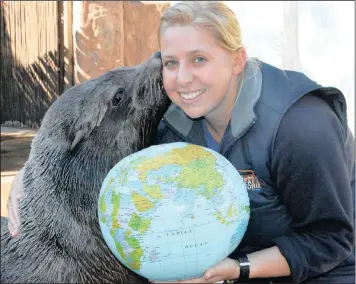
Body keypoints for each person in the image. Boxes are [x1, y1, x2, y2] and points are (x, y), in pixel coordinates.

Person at [6, 1, 355, 283]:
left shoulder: (300, 127)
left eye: (199, 59)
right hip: (227, 264)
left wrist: (241, 268)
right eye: (170, 62)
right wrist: (28, 179)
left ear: (237, 60)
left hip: (322, 269)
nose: (183, 79)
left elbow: (333, 239)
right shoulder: (173, 118)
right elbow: (82, 156)